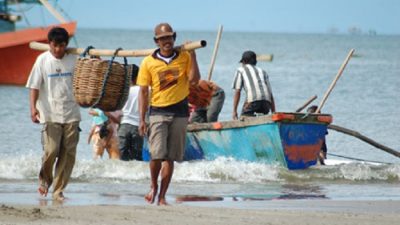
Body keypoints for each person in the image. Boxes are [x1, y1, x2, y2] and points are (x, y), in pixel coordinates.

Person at [137, 23, 200, 205]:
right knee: (156, 155)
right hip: (157, 112)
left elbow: (194, 81)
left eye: (169, 37)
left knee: (170, 157)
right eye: (162, 38)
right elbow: (143, 92)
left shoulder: (185, 56)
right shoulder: (148, 62)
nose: (166, 41)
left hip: (180, 112)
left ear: (174, 38)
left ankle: (163, 196)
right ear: (156, 41)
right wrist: (142, 119)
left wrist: (193, 56)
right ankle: (153, 186)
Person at [26, 27, 81, 201]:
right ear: (49, 44)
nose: (58, 49)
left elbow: (85, 79)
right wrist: (33, 108)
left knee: (67, 154)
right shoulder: (42, 60)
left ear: (66, 45)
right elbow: (34, 85)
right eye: (55, 45)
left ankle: (58, 191)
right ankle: (44, 180)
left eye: (62, 45)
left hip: (71, 113)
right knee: (51, 150)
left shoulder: (74, 60)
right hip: (49, 114)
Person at [232, 50, 276, 120]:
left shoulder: (240, 70)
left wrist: (234, 111)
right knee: (263, 119)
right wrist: (274, 113)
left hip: (252, 102)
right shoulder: (263, 71)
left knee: (243, 119)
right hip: (266, 103)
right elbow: (270, 94)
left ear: (244, 62)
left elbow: (237, 91)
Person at [118, 64, 144, 161]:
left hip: (123, 125)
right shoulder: (144, 90)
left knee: (122, 159)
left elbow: (112, 111)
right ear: (138, 76)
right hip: (138, 126)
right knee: (137, 158)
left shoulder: (122, 91)